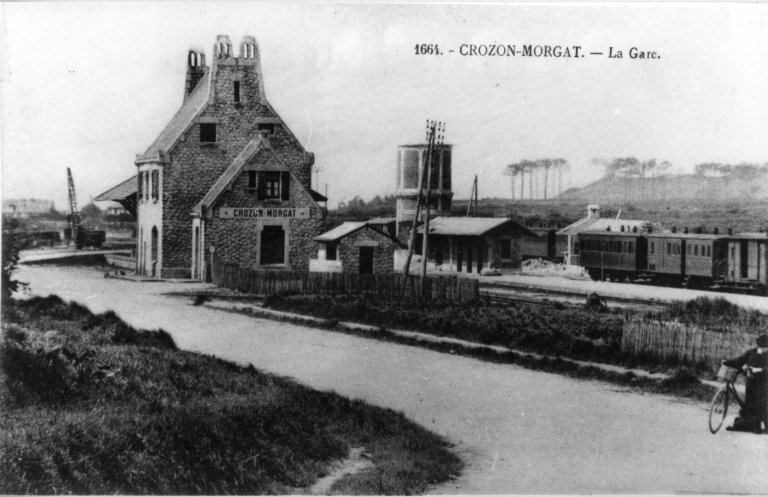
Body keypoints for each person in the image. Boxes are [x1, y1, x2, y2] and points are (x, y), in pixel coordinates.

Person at [723, 333, 768, 434]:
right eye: (763, 346)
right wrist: (728, 362)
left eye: (766, 347)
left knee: (763, 405)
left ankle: (762, 426)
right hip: (751, 383)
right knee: (750, 404)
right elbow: (739, 361)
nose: (765, 349)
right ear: (759, 345)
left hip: (764, 385)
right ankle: (752, 425)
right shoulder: (751, 353)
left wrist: (759, 369)